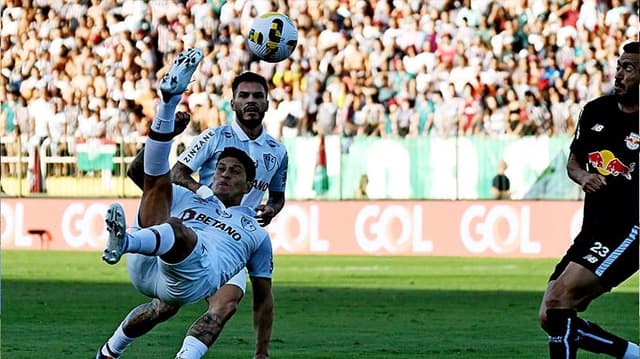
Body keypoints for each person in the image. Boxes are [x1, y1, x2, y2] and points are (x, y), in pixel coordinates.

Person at [96, 48, 274, 359]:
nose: (224, 174)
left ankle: (185, 356)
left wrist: (261, 351)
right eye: (220, 168)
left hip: (205, 266)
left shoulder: (256, 228)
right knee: (161, 197)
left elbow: (264, 294)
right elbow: (145, 176)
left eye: (234, 171)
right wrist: (168, 129)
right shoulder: (199, 174)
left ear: (250, 185)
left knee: (223, 304)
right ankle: (168, 100)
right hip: (153, 261)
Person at [538, 41, 639, 359]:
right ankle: (633, 355)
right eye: (619, 66)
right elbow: (574, 162)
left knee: (559, 302)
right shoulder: (596, 111)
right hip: (593, 229)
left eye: (629, 68)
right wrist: (583, 177)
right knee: (549, 317)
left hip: (629, 229)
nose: (619, 74)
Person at [170, 70, 288, 344]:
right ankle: (112, 348)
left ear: (267, 104)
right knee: (162, 307)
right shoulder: (214, 137)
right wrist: (204, 192)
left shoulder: (277, 150)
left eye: (258, 96)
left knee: (226, 305)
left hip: (236, 238)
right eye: (243, 95)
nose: (251, 101)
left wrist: (271, 209)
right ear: (232, 103)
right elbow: (178, 173)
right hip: (200, 231)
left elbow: (277, 196)